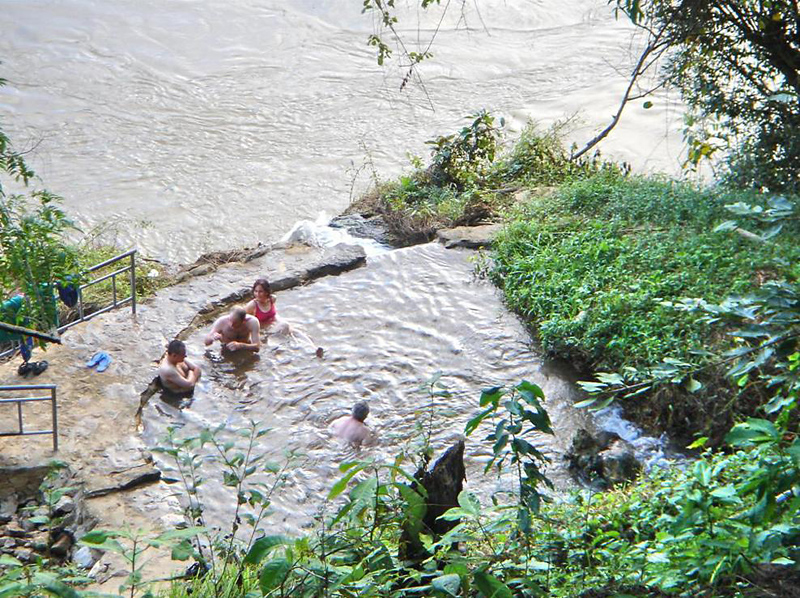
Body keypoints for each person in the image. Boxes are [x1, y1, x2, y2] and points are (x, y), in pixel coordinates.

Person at [244, 278, 323, 357]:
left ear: (266, 292)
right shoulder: (252, 306)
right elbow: (244, 320)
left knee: (295, 332)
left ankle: (313, 348)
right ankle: (302, 352)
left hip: (275, 324)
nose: (257, 294)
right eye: (256, 291)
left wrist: (279, 322)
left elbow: (274, 315)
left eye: (260, 291)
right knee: (287, 335)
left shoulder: (272, 299)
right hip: (265, 331)